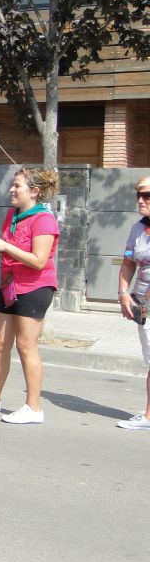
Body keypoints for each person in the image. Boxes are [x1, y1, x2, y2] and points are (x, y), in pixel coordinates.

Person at [0, 168, 59, 424]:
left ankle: (34, 407)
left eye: (17, 186)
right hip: (9, 285)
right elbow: (12, 251)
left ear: (34, 191)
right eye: (12, 185)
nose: (11, 190)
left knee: (26, 346)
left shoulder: (44, 220)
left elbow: (39, 261)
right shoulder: (13, 214)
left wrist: (6, 246)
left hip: (35, 288)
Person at [118, 175, 150, 430]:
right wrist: (123, 294)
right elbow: (128, 261)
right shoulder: (138, 229)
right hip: (143, 304)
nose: (141, 200)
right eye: (138, 195)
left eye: (147, 195)